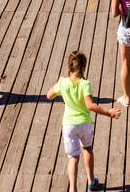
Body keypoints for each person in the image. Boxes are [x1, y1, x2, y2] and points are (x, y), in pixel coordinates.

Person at [48, 50, 121, 192]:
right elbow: (90, 105)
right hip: (84, 124)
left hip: (69, 125)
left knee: (73, 158)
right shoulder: (85, 84)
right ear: (84, 67)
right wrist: (108, 112)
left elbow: (49, 95)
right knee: (87, 149)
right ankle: (91, 181)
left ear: (69, 65)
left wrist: (59, 85)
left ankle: (73, 189)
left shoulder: (63, 83)